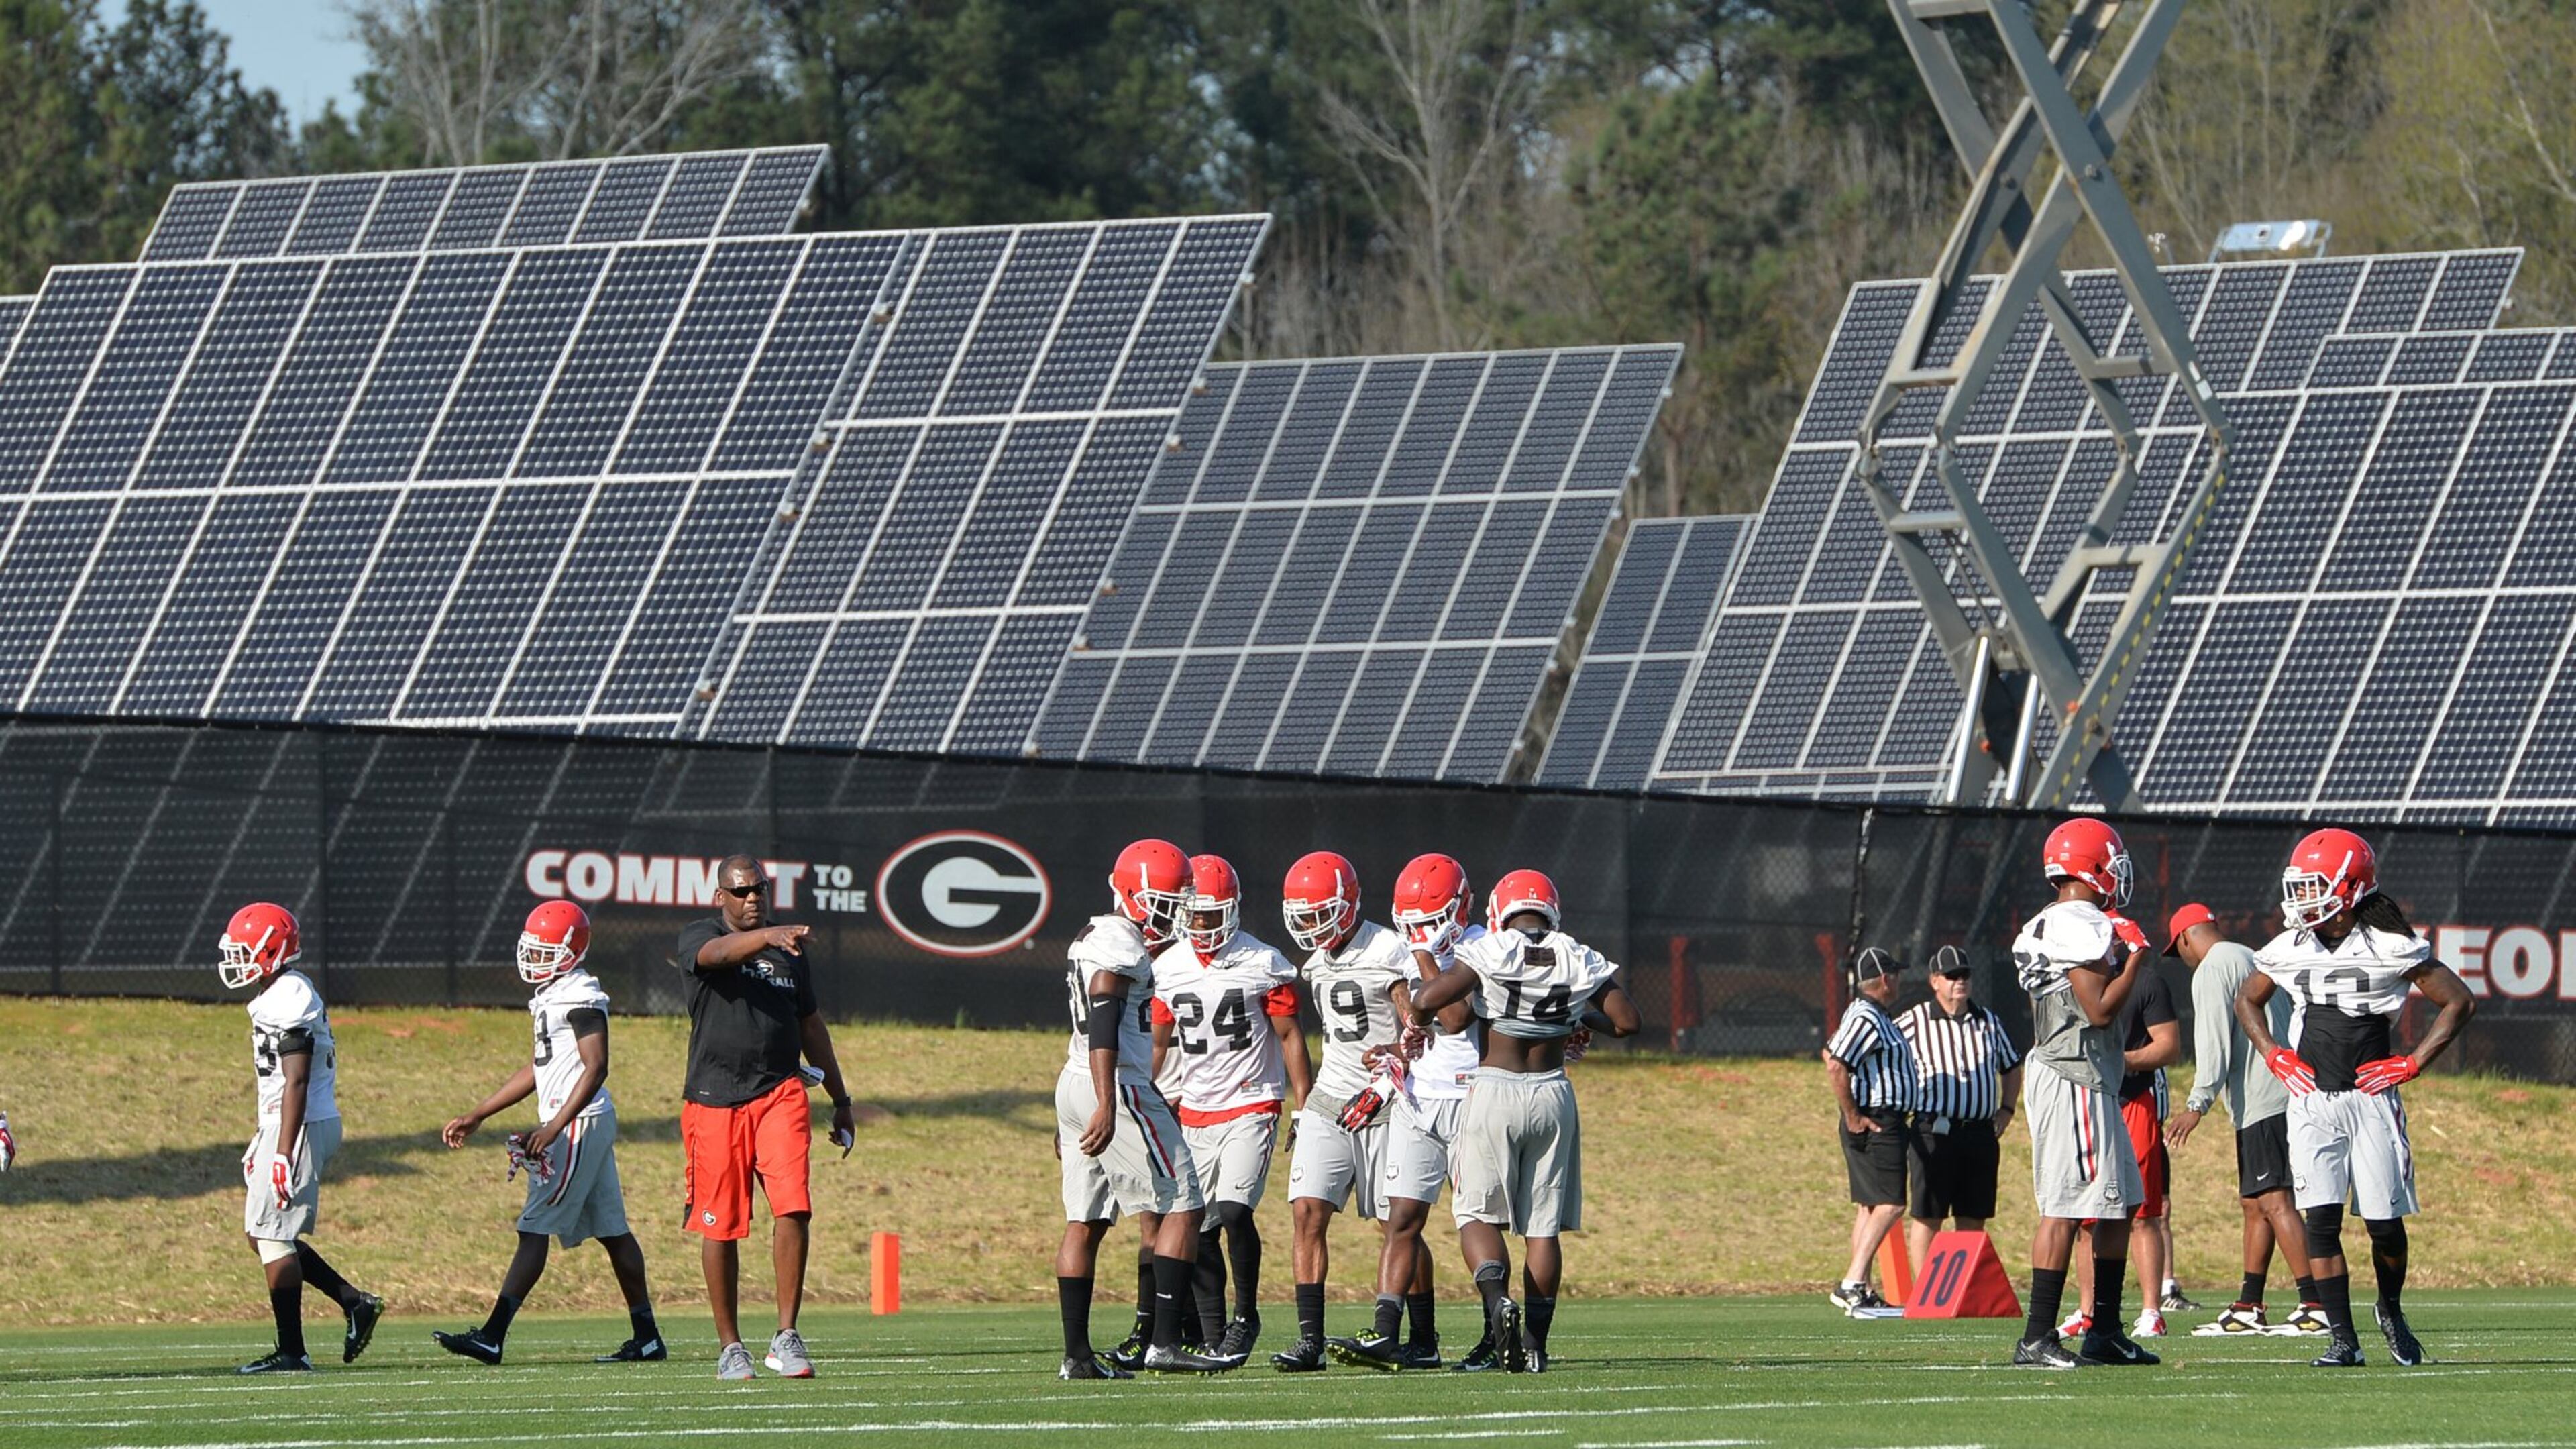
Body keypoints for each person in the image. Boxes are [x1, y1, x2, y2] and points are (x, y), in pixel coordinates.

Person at [2235, 828, 2476, 1368]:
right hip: (2311, 1100)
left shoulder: (2389, 945)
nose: (2301, 898)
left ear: (2349, 887)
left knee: (2384, 1227)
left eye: (2313, 886)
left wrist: (2413, 1062)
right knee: (2320, 1220)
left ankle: (2389, 1307)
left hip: (2371, 1100)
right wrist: (2273, 1052)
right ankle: (2342, 1339)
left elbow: (2458, 1001)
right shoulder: (2291, 946)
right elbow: (2246, 999)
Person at [1407, 869, 1640, 1373]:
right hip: (1554, 1092)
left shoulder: (1492, 949)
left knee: (1476, 1215)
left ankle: (1498, 1305)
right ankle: (1534, 1345)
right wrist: (1576, 1016)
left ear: (1499, 911)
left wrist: (1414, 1027)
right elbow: (1627, 1022)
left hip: (1495, 1088)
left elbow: (1429, 999)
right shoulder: (1576, 953)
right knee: (1542, 1229)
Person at [434, 901, 662, 1365]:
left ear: (572, 951)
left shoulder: (581, 994)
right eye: (532, 949)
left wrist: (556, 1125)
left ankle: (492, 1336)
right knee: (613, 1231)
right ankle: (648, 1337)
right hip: (580, 1120)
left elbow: (596, 1067)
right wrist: (480, 1112)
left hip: (578, 1121)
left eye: (545, 950)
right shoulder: (553, 994)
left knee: (533, 1227)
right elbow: (540, 1069)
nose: (534, 959)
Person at [676, 853, 856, 1381]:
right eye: (740, 891)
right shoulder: (699, 935)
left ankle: (786, 1335)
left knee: (794, 1207)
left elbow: (811, 1025)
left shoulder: (790, 951)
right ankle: (731, 1345)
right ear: (720, 897)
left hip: (780, 1092)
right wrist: (767, 937)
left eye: (758, 889)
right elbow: (718, 953)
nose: (752, 898)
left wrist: (841, 1100)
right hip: (714, 1100)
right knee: (722, 1227)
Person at [1054, 838, 1228, 1379]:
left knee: (1086, 1221)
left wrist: (1083, 1103)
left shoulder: (1092, 935)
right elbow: (1104, 1021)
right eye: (1166, 899)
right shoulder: (1120, 945)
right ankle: (1164, 1342)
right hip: (1117, 1082)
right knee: (1184, 1203)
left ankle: (1077, 1357)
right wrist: (1107, 1102)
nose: (1174, 911)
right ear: (1133, 893)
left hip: (1076, 1077)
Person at [1149, 853, 1313, 1367]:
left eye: (1211, 915)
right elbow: (1158, 1044)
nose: (1202, 925)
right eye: (1194, 915)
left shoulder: (1262, 962)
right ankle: (1214, 1333)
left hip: (1252, 1100)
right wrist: (1149, 1101)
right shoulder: (1167, 967)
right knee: (1195, 1229)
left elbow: (1290, 1037)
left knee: (1236, 1212)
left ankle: (1247, 1317)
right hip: (1195, 1109)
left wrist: (1303, 1107)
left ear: (1234, 911)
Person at [2007, 819, 2155, 1368]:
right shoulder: (2079, 921)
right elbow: (2098, 1010)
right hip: (2072, 1072)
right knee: (2067, 1207)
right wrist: (2135, 956)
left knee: (2119, 1204)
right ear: (2092, 867)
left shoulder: (2060, 921)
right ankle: (2037, 1334)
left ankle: (2106, 1331)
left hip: (2089, 1074)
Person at [1331, 851, 1480, 1372]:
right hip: (1420, 1097)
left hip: (1471, 1098)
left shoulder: (1482, 946)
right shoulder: (1406, 957)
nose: (1422, 931)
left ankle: (1497, 1331)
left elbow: (1456, 1016)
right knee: (1401, 1219)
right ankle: (1389, 1333)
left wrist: (1422, 955)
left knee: (1476, 1219)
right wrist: (1392, 1057)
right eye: (1413, 923)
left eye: (1431, 920)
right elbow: (1416, 1032)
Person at [220, 902, 383, 1374]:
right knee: (263, 1235)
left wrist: (283, 1152)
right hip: (290, 1121)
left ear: (272, 950)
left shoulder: (289, 995)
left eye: (246, 950)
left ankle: (292, 1352)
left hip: (301, 1123)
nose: (238, 960)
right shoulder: (280, 991)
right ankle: (354, 1302)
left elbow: (295, 1078)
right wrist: (265, 1138)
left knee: (273, 1236)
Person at [1271, 851, 1417, 1371]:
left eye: (1320, 912)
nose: (1312, 925)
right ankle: (1311, 1340)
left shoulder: (1389, 951)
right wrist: (1302, 1106)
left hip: (1386, 1099)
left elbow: (1418, 1031)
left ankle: (1419, 1336)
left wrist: (1390, 1070)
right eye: (1304, 915)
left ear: (1349, 904)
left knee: (1395, 1223)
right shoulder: (1316, 963)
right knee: (1307, 1212)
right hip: (1331, 1100)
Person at [2161, 902, 2328, 1336]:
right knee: (2255, 1203)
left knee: (2275, 1200)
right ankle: (2249, 1304)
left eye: (2177, 950)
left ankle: (2317, 1303)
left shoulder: (2213, 968)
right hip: (2281, 1092)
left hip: (2264, 1097)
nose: (2181, 959)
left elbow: (2213, 1039)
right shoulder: (2250, 955)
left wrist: (2197, 1104)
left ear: (2184, 938)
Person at [2059, 916, 2181, 1340]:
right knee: (2087, 1215)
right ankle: (2088, 1309)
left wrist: (2121, 1061)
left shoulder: (2145, 983)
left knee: (2143, 1212)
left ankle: (2151, 1309)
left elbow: (2168, 1045)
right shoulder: (2072, 979)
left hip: (2133, 1101)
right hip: (2089, 1101)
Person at [1896, 946, 2022, 1269]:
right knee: (1929, 1215)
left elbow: (2011, 1066)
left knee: (1973, 1215)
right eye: (1952, 976)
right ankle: (1925, 1293)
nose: (1960, 982)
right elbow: (1886, 1053)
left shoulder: (1989, 1022)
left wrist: (2006, 1109)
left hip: (1978, 1132)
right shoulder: (1915, 1020)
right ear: (1935, 981)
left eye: (1965, 975)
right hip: (1934, 1130)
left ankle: (1960, 1289)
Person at [1825, 947, 1920, 1315]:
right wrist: (1853, 1116)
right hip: (1878, 1119)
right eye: (1895, 974)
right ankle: (1852, 1281)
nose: (1898, 980)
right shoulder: (1866, 1015)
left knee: (1869, 1206)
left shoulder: (1872, 1014)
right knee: (1892, 1203)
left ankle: (1860, 1287)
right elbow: (1836, 1064)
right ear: (1885, 979)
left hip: (1880, 1118)